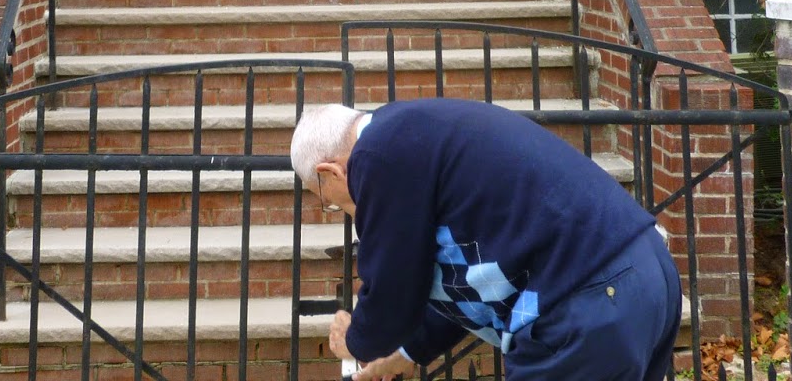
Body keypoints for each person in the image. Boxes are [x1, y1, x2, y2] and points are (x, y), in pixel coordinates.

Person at [291, 98, 681, 381]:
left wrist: (356, 341)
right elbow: (467, 281)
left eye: (326, 202)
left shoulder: (375, 158)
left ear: (331, 172)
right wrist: (404, 352)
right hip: (644, 277)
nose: (340, 209)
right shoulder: (413, 135)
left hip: (584, 302)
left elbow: (392, 289)